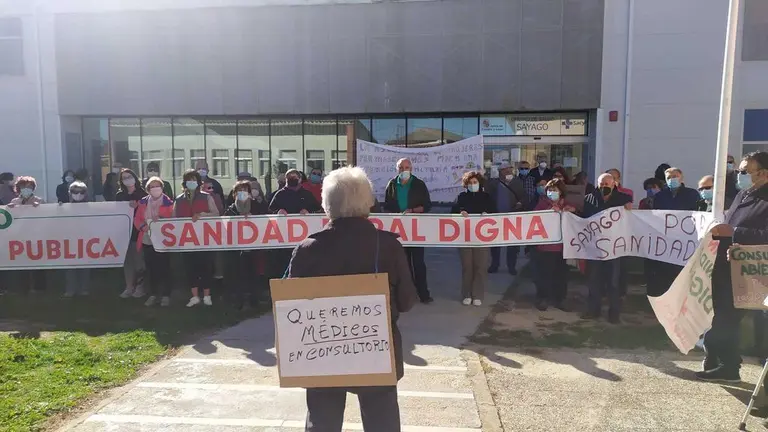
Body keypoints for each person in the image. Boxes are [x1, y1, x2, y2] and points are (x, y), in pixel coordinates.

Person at [287, 166, 418, 432]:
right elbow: (406, 301)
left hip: (321, 353)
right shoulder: (389, 245)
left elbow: (289, 308)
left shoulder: (307, 248)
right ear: (368, 203)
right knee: (382, 424)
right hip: (376, 350)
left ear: (327, 205)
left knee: (322, 423)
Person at [695, 152, 768, 382]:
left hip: (751, 274)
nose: (739, 175)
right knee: (721, 315)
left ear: (764, 174)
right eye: (739, 171)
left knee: (728, 320)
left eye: (745, 172)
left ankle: (728, 366)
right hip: (727, 267)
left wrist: (735, 233)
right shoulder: (744, 194)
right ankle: (722, 360)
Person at [582, 173, 632, 324]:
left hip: (614, 248)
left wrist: (629, 209)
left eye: (607, 185)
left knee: (613, 282)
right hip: (594, 247)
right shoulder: (589, 199)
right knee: (594, 280)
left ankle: (614, 313)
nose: (603, 187)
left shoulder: (623, 199)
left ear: (614, 184)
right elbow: (583, 219)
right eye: (601, 184)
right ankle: (593, 310)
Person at [383, 158, 433, 304]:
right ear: (397, 169)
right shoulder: (392, 184)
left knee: (418, 263)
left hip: (415, 230)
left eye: (407, 167)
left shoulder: (419, 184)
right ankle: (406, 295)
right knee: (402, 265)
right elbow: (387, 204)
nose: (404, 170)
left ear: (411, 169)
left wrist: (412, 210)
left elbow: (427, 205)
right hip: (398, 231)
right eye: (401, 167)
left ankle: (424, 294)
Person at [646, 167, 702, 297]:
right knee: (665, 273)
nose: (672, 179)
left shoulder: (692, 194)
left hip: (685, 240)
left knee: (682, 272)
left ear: (681, 178)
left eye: (675, 176)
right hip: (666, 241)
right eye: (669, 177)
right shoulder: (660, 196)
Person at [174, 170, 220, 307]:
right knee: (190, 268)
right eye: (189, 180)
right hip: (186, 240)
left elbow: (216, 214)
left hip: (204, 239)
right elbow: (173, 218)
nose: (191, 183)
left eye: (194, 180)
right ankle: (194, 297)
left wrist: (202, 215)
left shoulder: (207, 197)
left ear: (199, 182)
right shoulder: (179, 199)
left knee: (206, 267)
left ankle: (207, 296)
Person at [452, 171, 495, 306]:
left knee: (480, 266)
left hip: (482, 238)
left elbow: (495, 212)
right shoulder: (461, 197)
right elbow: (452, 212)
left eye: (475, 182)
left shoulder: (487, 197)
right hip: (464, 237)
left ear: (479, 183)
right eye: (470, 183)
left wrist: (487, 214)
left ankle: (477, 294)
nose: (472, 185)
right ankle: (466, 294)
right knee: (467, 266)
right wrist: (460, 212)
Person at [268, 169, 321, 279]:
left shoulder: (307, 194)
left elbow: (319, 210)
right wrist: (277, 212)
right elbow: (269, 211)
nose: (292, 180)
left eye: (295, 178)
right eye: (290, 178)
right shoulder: (280, 194)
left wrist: (309, 212)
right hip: (284, 239)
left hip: (304, 237)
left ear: (300, 179)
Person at [225, 180, 269, 309]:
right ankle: (239, 301)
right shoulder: (231, 209)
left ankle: (254, 301)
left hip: (254, 247)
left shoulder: (257, 206)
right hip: (238, 247)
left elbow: (265, 218)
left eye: (245, 190)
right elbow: (225, 223)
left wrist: (253, 217)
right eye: (239, 191)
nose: (242, 193)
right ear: (234, 194)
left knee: (254, 274)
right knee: (239, 275)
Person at [533, 178, 576, 311]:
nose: (552, 192)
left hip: (563, 247)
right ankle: (543, 298)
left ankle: (560, 299)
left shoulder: (567, 205)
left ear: (561, 192)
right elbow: (534, 219)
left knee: (561, 275)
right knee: (544, 274)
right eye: (549, 190)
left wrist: (573, 211)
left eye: (555, 190)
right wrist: (548, 211)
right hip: (545, 247)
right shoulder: (541, 204)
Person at [135, 177, 174, 307]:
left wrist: (162, 219)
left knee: (164, 268)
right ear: (148, 189)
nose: (155, 189)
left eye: (158, 186)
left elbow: (172, 218)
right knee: (151, 268)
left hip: (163, 240)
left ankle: (165, 295)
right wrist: (142, 227)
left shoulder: (168, 202)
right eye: (152, 186)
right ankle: (153, 294)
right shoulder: (143, 202)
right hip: (147, 239)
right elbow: (137, 219)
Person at [485, 163, 527, 275]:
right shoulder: (493, 183)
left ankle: (511, 266)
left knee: (512, 244)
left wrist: (520, 203)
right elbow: (487, 197)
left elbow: (524, 196)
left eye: (509, 170)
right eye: (505, 170)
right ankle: (495, 264)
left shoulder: (517, 182)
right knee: (495, 243)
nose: (508, 172)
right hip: (496, 216)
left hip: (512, 217)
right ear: (500, 171)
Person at [8, 176, 46, 293]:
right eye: (24, 187)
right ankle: (24, 287)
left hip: (36, 236)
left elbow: (47, 215)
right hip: (20, 237)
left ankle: (39, 287)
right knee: (22, 262)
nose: (26, 189)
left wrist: (39, 208)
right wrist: (10, 209)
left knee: (37, 262)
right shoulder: (14, 202)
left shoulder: (39, 201)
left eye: (29, 187)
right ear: (18, 188)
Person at [115, 168, 148, 299]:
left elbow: (147, 211)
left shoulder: (143, 194)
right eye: (124, 177)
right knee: (127, 262)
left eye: (129, 176)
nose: (127, 179)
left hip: (138, 232)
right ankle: (129, 287)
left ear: (135, 177)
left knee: (139, 261)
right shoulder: (119, 195)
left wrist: (138, 207)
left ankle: (140, 287)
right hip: (124, 232)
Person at [63, 181, 91, 297]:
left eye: (81, 192)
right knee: (70, 266)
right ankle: (70, 289)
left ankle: (84, 289)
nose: (78, 194)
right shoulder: (64, 207)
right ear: (70, 193)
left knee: (85, 266)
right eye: (75, 192)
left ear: (85, 193)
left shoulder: (91, 207)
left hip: (86, 240)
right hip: (70, 240)